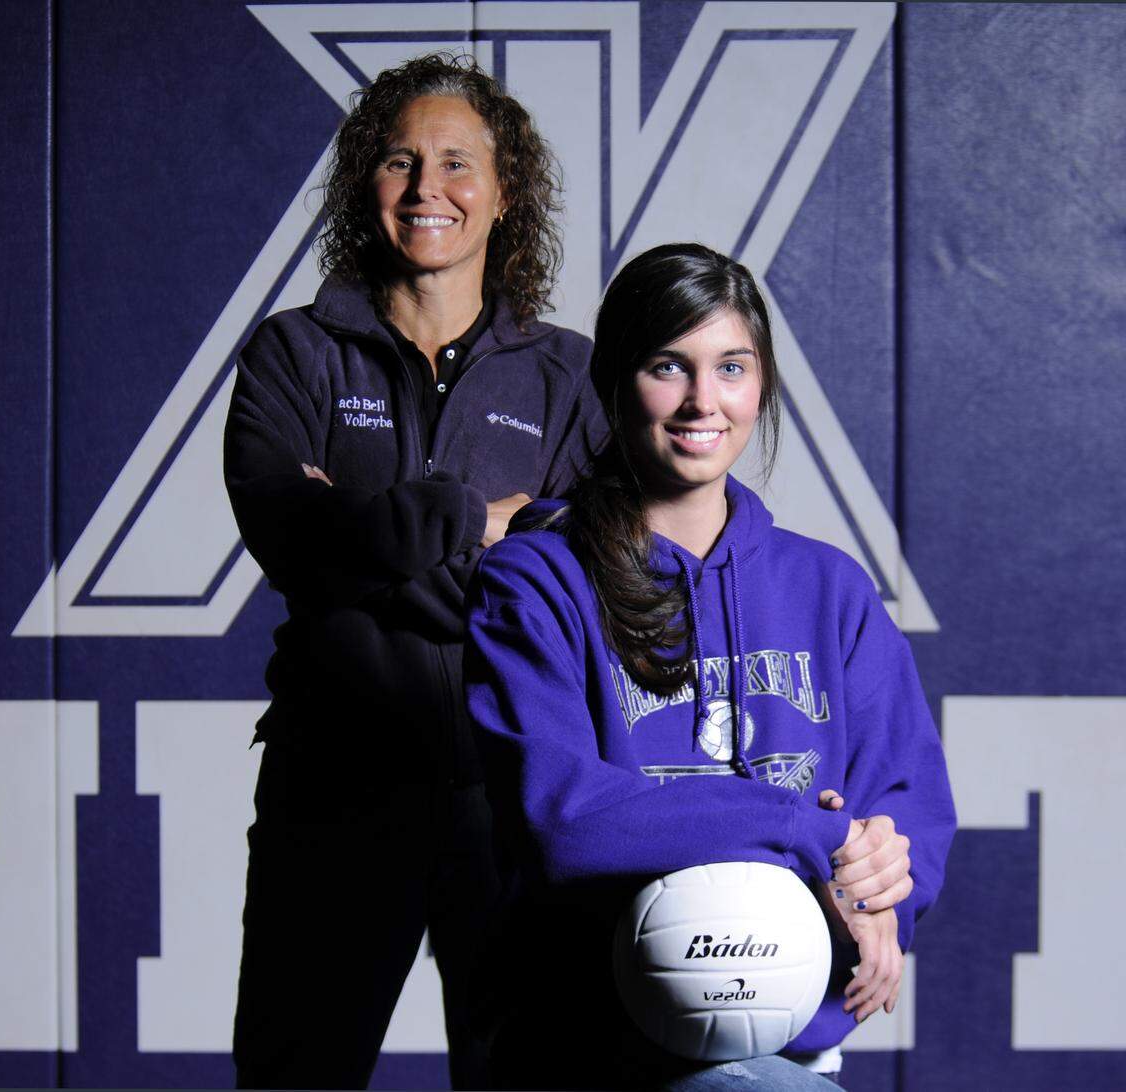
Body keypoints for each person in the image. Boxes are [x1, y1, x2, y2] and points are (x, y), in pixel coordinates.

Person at [464, 243, 957, 1090]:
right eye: (669, 366)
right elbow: (566, 821)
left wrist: (878, 891)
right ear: (614, 379)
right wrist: (812, 831)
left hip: (784, 1043)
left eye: (732, 367)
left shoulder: (828, 588)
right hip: (589, 1047)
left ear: (760, 386)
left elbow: (907, 813)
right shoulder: (534, 581)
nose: (703, 401)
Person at [224, 52, 607, 1090]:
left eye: (456, 163)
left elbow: (590, 582)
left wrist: (373, 539)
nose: (426, 188)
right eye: (399, 161)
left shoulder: (572, 376)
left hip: (517, 792)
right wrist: (474, 524)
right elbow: (298, 542)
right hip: (335, 780)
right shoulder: (294, 356)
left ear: (504, 192)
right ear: (366, 185)